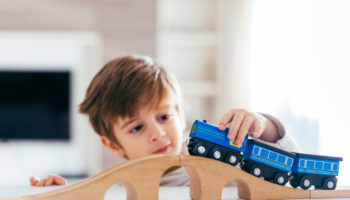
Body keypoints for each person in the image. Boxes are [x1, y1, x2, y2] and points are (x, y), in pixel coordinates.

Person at [29, 55, 299, 187]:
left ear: (181, 115)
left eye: (164, 116)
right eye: (136, 127)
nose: (157, 134)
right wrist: (61, 194)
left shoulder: (222, 162)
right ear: (112, 144)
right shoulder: (116, 189)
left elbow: (291, 169)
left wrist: (265, 128)